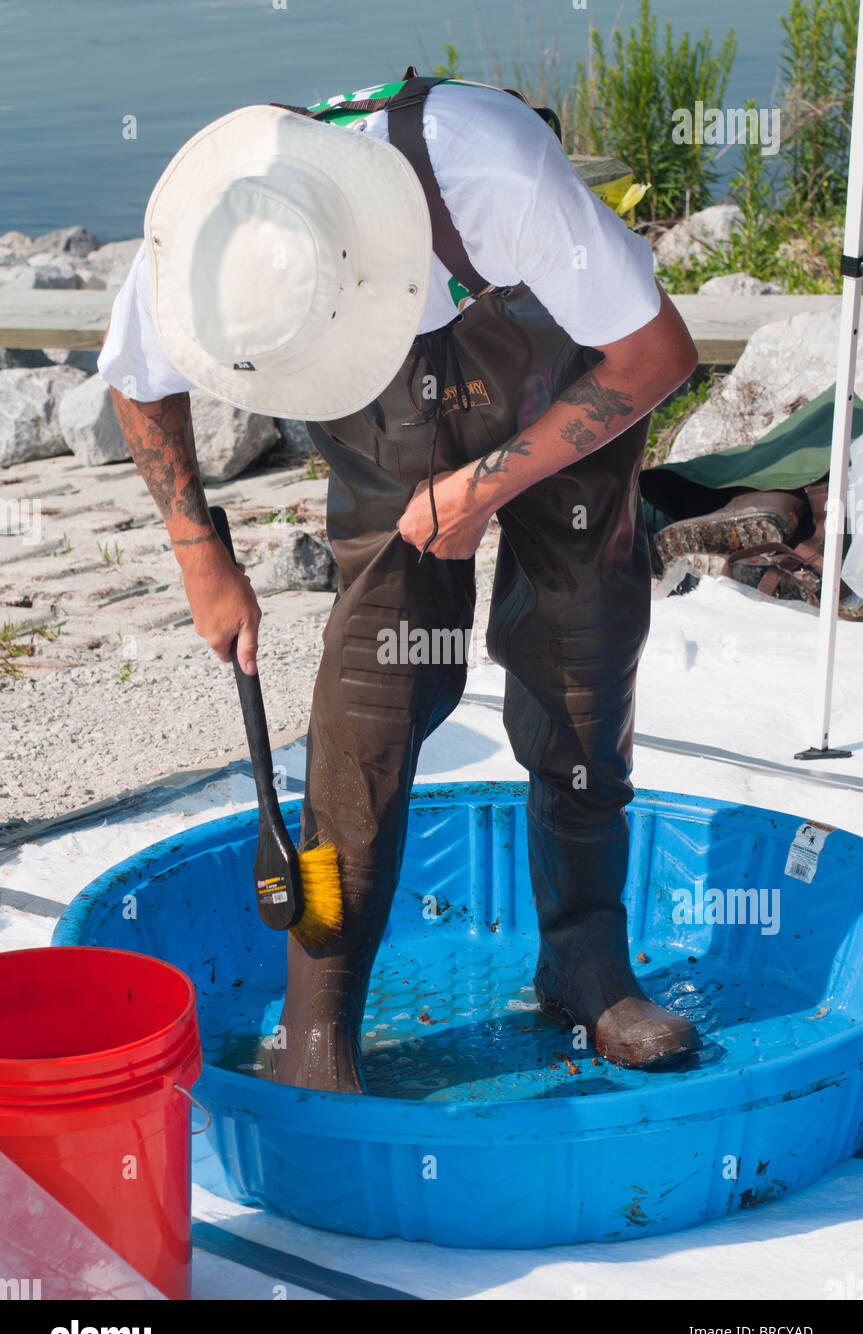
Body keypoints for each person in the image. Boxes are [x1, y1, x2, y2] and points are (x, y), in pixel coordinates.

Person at [99, 70, 701, 1094]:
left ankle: (585, 963)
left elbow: (653, 354)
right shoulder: (212, 231)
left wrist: (481, 485)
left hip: (566, 390)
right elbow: (136, 376)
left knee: (579, 656)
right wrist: (203, 551)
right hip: (389, 455)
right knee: (366, 704)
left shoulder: (486, 169)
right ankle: (318, 1014)